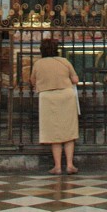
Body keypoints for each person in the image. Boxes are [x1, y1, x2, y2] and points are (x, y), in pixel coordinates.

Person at [29, 38, 80, 174]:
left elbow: (32, 81)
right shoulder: (64, 61)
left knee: (53, 132)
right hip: (65, 96)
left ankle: (57, 166)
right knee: (68, 131)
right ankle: (69, 165)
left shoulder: (38, 64)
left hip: (47, 98)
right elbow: (75, 79)